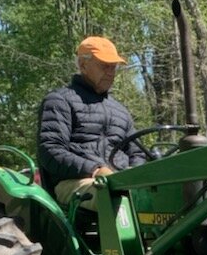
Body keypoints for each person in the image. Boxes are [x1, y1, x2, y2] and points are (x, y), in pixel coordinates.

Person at [38, 36, 149, 209]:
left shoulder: (121, 111)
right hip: (76, 181)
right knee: (113, 195)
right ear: (83, 65)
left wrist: (133, 174)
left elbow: (137, 153)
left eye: (113, 67)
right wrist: (95, 170)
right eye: (105, 66)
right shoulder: (59, 101)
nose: (111, 72)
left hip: (120, 181)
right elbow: (51, 151)